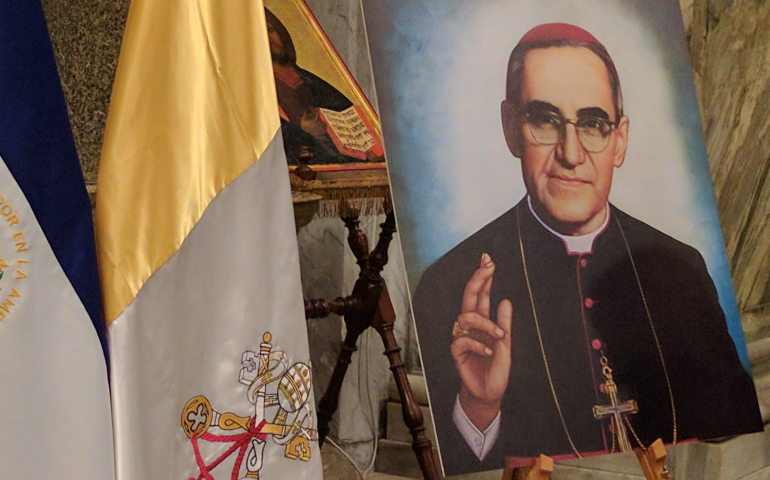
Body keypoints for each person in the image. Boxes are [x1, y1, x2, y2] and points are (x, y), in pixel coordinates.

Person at [412, 23, 762, 475]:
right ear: (510, 128)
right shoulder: (450, 283)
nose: (571, 154)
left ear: (620, 140)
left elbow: (728, 426)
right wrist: (479, 408)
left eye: (594, 124)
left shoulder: (681, 269)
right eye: (545, 120)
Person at [265, 9, 383, 165]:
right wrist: (303, 130)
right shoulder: (255, 91)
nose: (268, 38)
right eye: (260, 33)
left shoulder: (309, 80)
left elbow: (345, 117)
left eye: (270, 30)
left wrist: (366, 152)